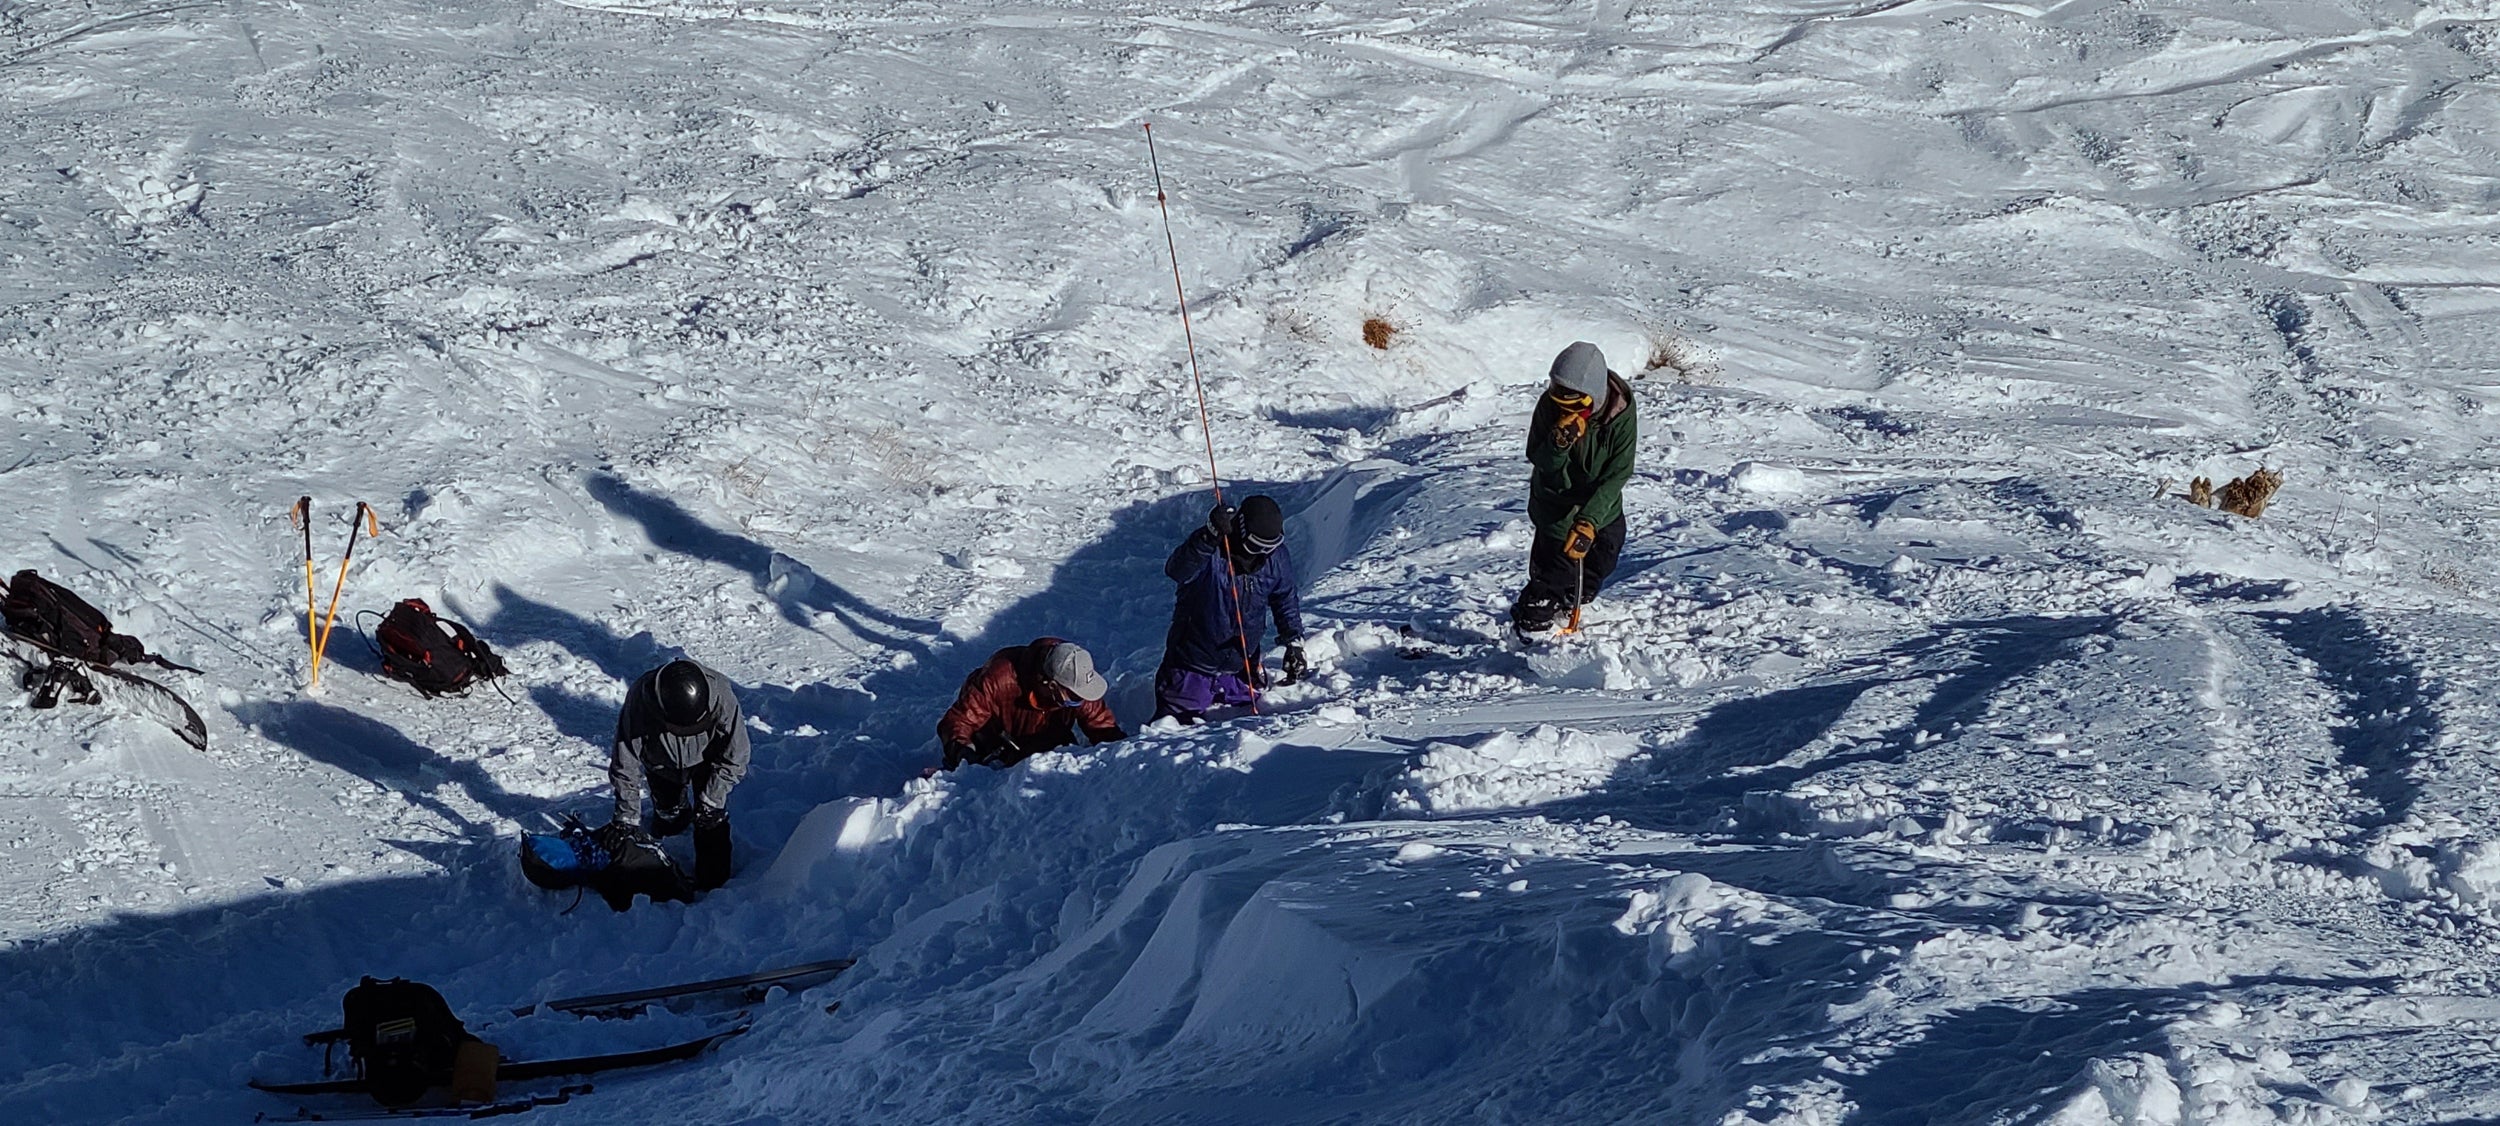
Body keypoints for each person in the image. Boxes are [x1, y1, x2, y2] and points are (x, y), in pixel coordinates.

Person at [1512, 341, 1638, 635]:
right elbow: (1539, 460)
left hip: (1601, 506)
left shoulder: (1620, 413)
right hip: (1556, 505)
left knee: (1604, 557)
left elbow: (1618, 473)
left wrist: (1589, 521)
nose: (1564, 409)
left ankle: (1573, 601)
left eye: (1575, 404)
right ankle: (1530, 626)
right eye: (1559, 400)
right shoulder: (1549, 407)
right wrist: (1559, 444)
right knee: (1554, 574)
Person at [1153, 494, 1307, 723]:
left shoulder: (1277, 558)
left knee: (1252, 715)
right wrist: (1207, 537)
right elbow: (1177, 570)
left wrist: (1293, 640)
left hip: (1241, 666)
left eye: (1272, 546)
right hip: (1192, 665)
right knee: (1174, 727)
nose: (1263, 553)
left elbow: (1284, 598)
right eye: (1257, 545)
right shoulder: (1212, 551)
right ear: (1242, 531)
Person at [610, 658, 748, 891]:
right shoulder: (640, 701)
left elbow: (736, 754)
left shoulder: (722, 696)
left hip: (707, 760)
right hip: (661, 762)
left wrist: (712, 798)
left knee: (710, 821)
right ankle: (670, 834)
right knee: (669, 814)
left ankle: (714, 885)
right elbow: (625, 762)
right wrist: (627, 817)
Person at [937, 637, 1126, 770]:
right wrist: (963, 753)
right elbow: (959, 721)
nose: (1080, 700)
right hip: (997, 744)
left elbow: (1100, 723)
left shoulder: (1075, 681)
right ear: (1050, 685)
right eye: (1075, 697)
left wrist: (1123, 750)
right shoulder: (998, 679)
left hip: (1048, 743)